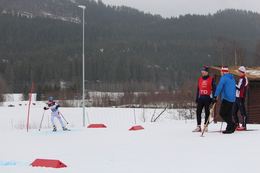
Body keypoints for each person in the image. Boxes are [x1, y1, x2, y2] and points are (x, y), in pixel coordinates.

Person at [213, 66, 236, 134]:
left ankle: (232, 124)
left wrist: (215, 96)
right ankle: (229, 128)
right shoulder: (232, 78)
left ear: (223, 72)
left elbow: (219, 87)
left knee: (222, 113)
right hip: (232, 99)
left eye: (221, 71)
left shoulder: (224, 78)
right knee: (228, 114)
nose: (220, 73)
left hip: (226, 98)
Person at [193, 66, 216, 132]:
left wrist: (214, 97)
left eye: (204, 72)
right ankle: (198, 126)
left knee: (207, 112)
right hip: (201, 97)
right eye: (202, 72)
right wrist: (197, 97)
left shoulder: (211, 79)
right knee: (198, 111)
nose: (202, 73)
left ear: (207, 72)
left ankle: (206, 126)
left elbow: (214, 89)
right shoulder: (200, 79)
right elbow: (198, 89)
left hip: (207, 97)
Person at [233, 66, 248, 131]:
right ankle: (237, 125)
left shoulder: (244, 79)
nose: (238, 73)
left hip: (241, 97)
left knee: (243, 112)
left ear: (242, 72)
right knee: (234, 112)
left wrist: (234, 84)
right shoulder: (241, 78)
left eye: (239, 72)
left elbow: (239, 87)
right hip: (237, 97)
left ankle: (244, 126)